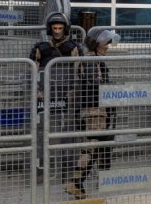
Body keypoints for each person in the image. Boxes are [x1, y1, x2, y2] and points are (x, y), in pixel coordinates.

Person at [65, 28, 120, 200]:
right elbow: (94, 85)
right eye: (105, 43)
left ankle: (85, 182)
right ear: (96, 44)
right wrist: (114, 91)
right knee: (92, 148)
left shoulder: (94, 60)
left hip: (97, 109)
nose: (108, 46)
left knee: (98, 147)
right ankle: (75, 182)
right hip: (93, 111)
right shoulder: (90, 61)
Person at [29, 12, 80, 182]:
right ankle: (41, 170)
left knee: (67, 134)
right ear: (50, 29)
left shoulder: (73, 48)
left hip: (66, 96)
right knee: (43, 133)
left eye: (60, 28)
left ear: (65, 29)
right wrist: (38, 90)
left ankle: (68, 172)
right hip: (45, 95)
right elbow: (33, 70)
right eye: (54, 27)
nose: (57, 31)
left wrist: (73, 90)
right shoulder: (40, 47)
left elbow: (77, 70)